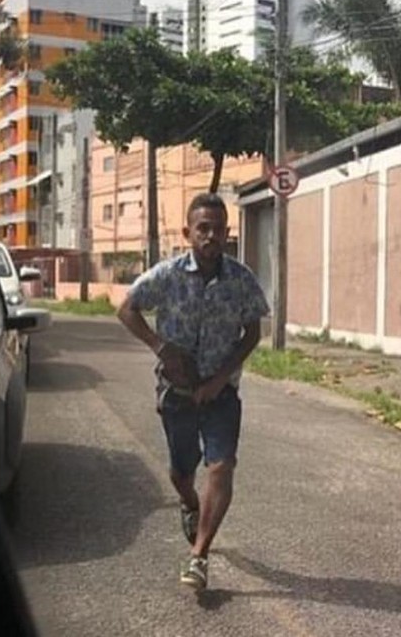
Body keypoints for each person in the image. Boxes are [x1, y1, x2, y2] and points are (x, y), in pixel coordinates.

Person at [117, 192, 269, 590]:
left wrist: (220, 379)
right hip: (177, 392)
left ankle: (198, 555)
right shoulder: (166, 275)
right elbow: (126, 309)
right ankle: (188, 502)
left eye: (219, 229)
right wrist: (160, 348)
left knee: (221, 466)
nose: (211, 236)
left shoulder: (241, 279)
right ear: (188, 233)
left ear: (227, 232)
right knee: (181, 471)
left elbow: (253, 332)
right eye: (203, 228)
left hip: (221, 393)